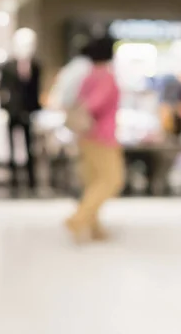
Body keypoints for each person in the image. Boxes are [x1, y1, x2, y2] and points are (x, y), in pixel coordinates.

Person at [65, 37, 125, 243]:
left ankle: (94, 227)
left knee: (93, 181)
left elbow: (80, 101)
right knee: (111, 180)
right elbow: (94, 104)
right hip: (103, 136)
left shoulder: (88, 76)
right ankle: (79, 218)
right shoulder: (106, 77)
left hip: (86, 136)